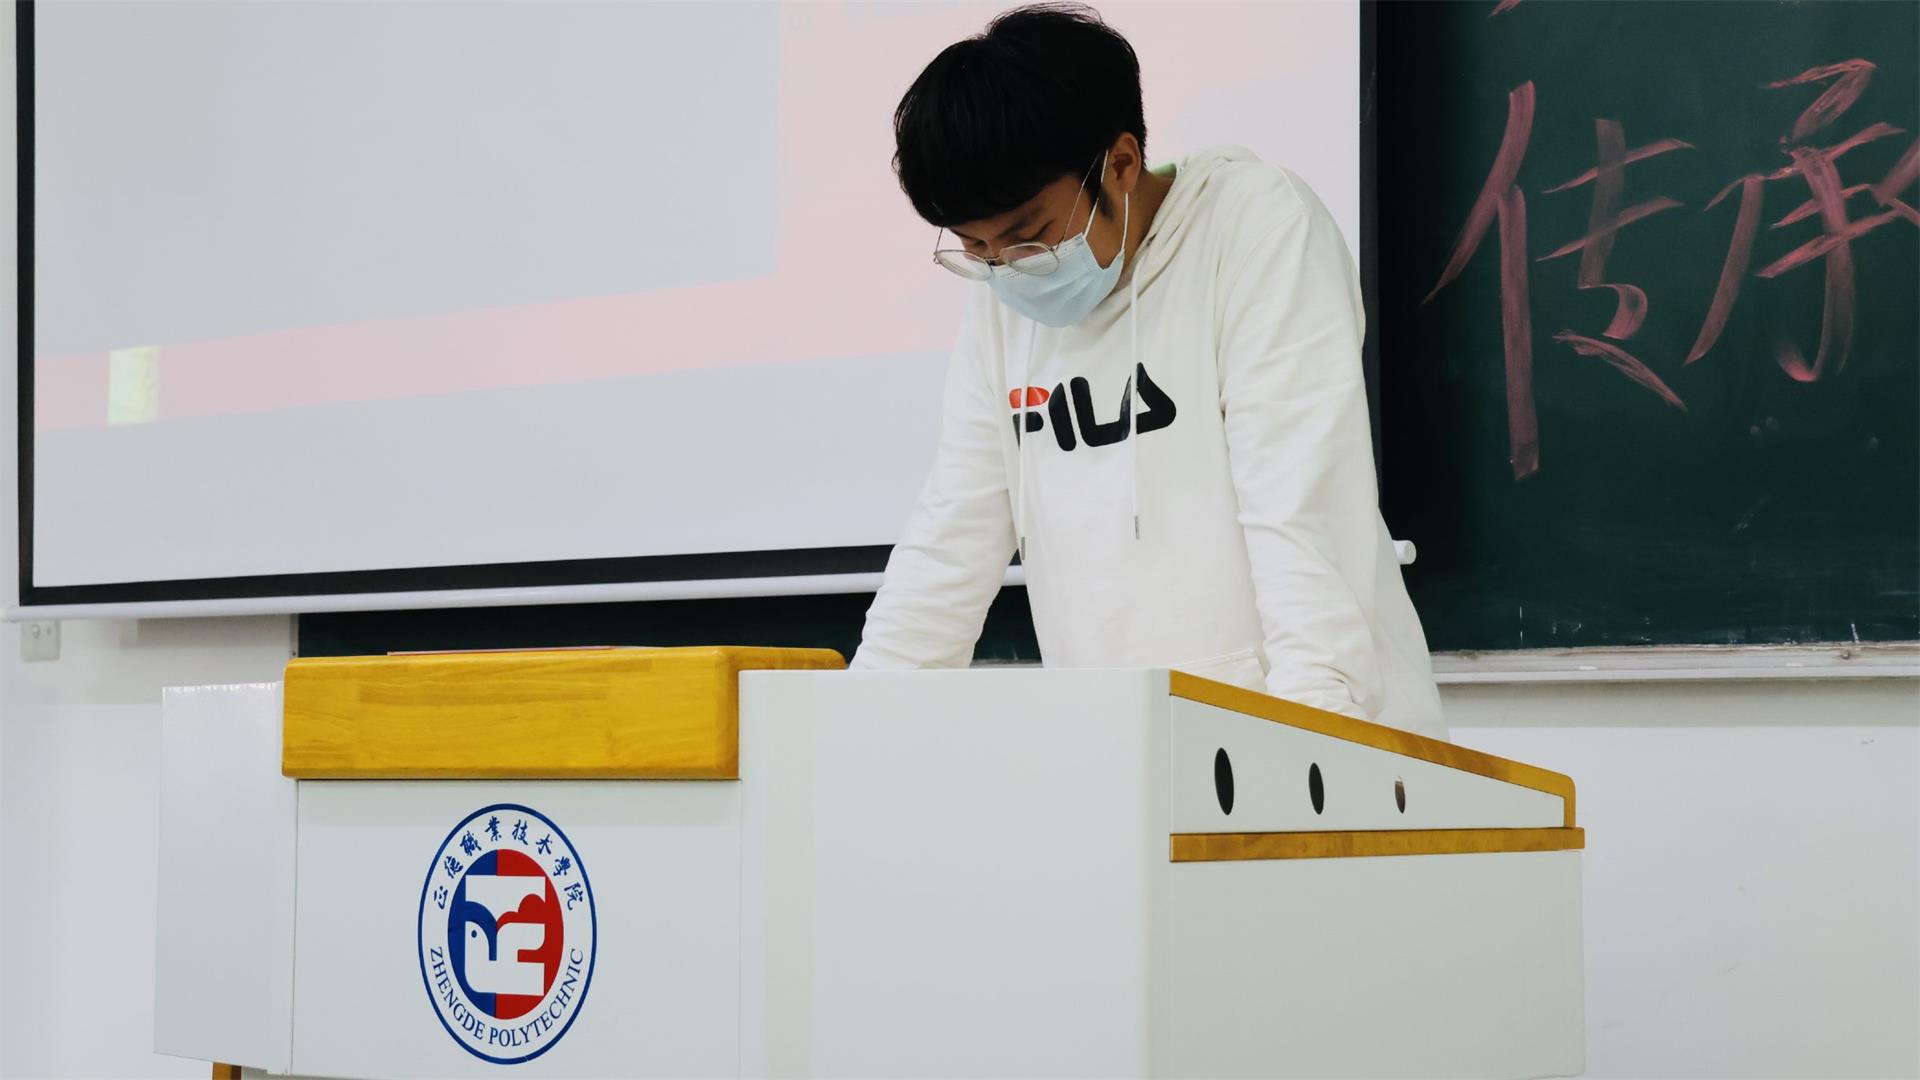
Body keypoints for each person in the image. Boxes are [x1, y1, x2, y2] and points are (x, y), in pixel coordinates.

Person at [849, 2, 1445, 739]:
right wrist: (855, 726)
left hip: (1314, 736)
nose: (1007, 267)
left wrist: (1311, 739)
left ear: (1122, 163)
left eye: (1030, 234)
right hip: (1128, 750)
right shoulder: (1007, 295)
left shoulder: (1255, 226)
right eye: (976, 249)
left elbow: (1301, 508)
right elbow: (951, 533)